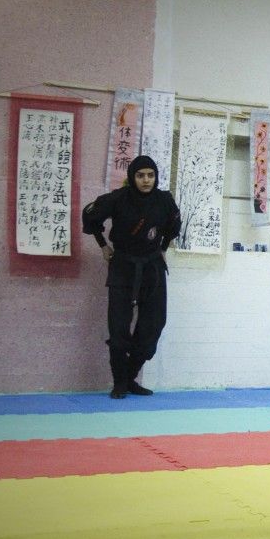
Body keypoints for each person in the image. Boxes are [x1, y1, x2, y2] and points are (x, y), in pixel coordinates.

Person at [82, 155, 181, 399]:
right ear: (132, 177)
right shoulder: (118, 198)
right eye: (140, 175)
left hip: (152, 267)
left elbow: (173, 226)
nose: (146, 180)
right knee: (118, 327)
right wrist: (103, 246)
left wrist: (164, 249)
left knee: (154, 325)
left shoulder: (164, 200)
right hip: (123, 266)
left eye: (150, 175)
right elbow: (90, 216)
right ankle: (119, 383)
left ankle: (129, 377)